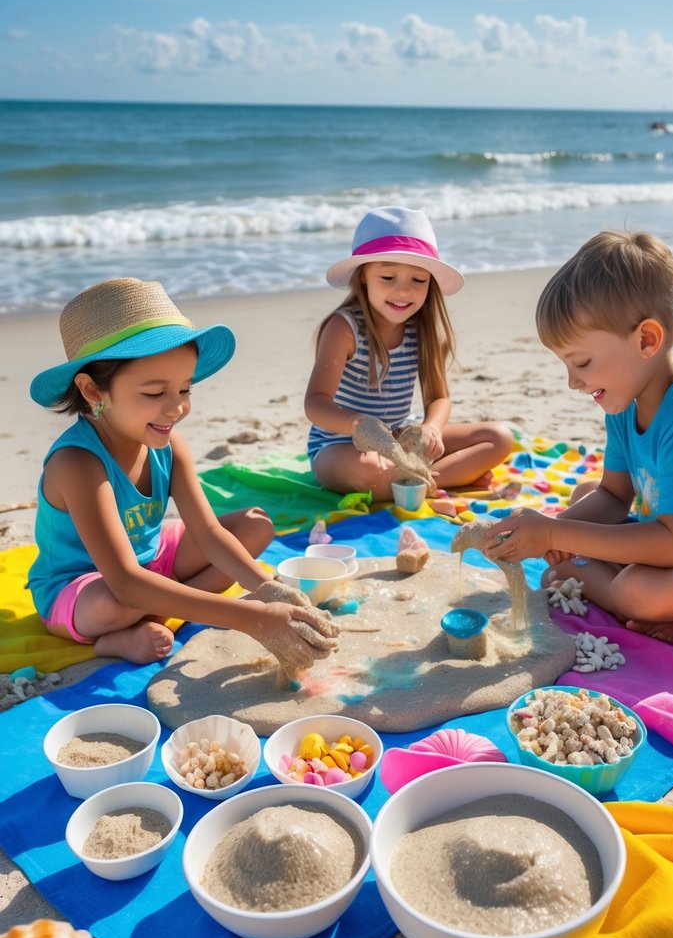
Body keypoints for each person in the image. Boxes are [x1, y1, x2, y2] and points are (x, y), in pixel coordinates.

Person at [28, 278, 338, 668]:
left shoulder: (170, 445)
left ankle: (162, 606)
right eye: (156, 393)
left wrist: (266, 588)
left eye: (185, 389)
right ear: (93, 391)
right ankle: (116, 637)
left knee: (255, 525)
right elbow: (124, 579)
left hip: (152, 557)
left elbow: (208, 533)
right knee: (116, 603)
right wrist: (251, 617)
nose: (176, 409)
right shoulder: (77, 464)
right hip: (84, 588)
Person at [483, 230, 673, 641]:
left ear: (646, 340)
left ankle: (647, 604)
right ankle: (653, 600)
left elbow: (672, 544)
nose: (572, 382)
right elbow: (616, 496)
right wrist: (544, 528)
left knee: (638, 590)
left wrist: (553, 534)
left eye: (581, 362)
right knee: (582, 502)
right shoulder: (626, 398)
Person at [305, 206, 515, 499]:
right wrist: (358, 424)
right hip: (338, 445)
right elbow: (315, 404)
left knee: (500, 438)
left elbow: (438, 397)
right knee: (371, 474)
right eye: (388, 278)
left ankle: (416, 478)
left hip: (397, 435)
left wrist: (432, 428)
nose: (403, 292)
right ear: (363, 276)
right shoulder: (344, 329)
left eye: (418, 280)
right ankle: (444, 476)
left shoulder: (421, 329)